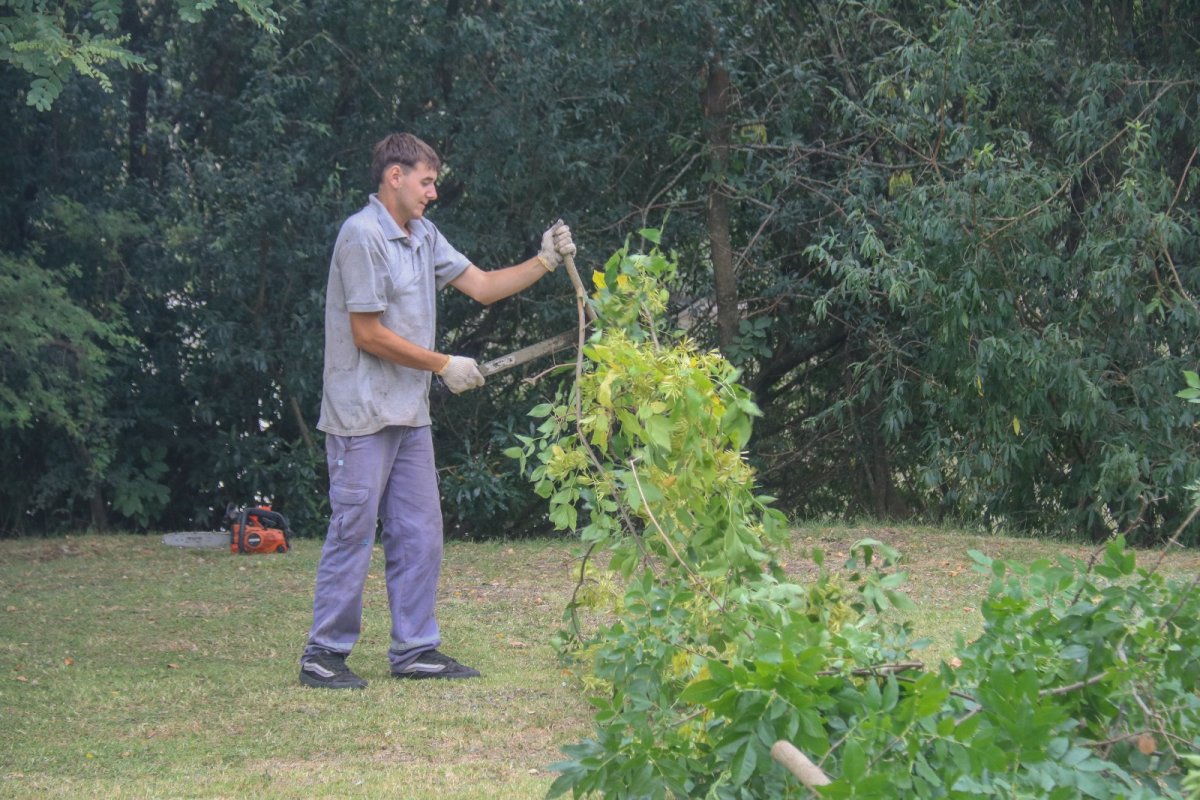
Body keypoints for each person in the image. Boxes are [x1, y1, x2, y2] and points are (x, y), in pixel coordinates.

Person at [299, 132, 575, 689]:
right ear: (394, 176)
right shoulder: (362, 235)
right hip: (360, 413)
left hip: (408, 413)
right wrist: (443, 363)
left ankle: (414, 649)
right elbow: (367, 333)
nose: (432, 193)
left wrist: (544, 260)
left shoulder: (423, 235)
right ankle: (323, 653)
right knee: (354, 531)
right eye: (426, 181)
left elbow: (483, 286)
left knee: (420, 532)